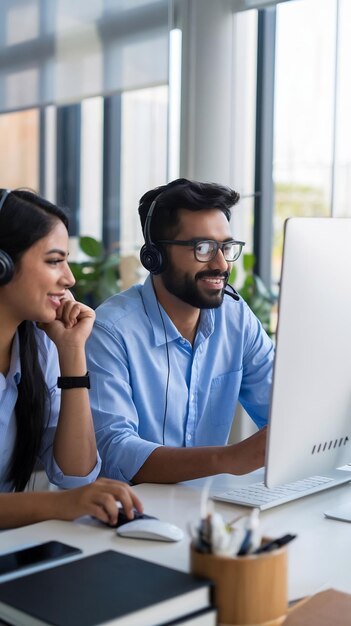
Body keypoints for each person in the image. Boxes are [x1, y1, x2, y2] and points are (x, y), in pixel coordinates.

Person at [87, 178, 274, 484]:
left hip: (205, 506)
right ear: (155, 257)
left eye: (226, 247)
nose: (221, 264)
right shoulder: (110, 331)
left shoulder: (235, 316)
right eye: (203, 248)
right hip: (127, 516)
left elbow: (279, 407)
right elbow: (115, 451)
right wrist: (229, 458)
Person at [0, 188, 142, 528]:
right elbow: (71, 495)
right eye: (54, 261)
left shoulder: (38, 345)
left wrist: (72, 351)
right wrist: (61, 504)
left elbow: (76, 477)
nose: (70, 279)